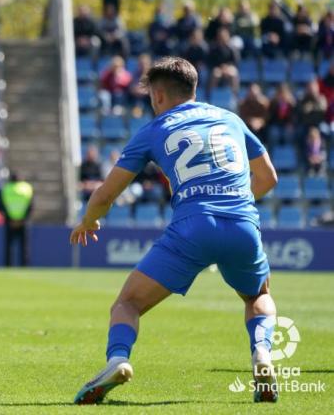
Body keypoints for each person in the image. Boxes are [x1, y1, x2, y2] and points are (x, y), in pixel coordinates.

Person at [70, 57, 280, 405]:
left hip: (192, 226)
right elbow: (269, 177)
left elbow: (106, 193)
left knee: (128, 303)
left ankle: (118, 360)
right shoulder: (230, 118)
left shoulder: (153, 129)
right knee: (257, 296)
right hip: (242, 223)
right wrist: (236, 200)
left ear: (158, 95)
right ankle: (262, 354)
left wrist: (88, 220)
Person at [1, 173, 33, 267]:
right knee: (24, 246)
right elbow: (30, 205)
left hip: (9, 221)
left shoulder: (6, 188)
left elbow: (2, 205)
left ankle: (8, 266)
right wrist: (23, 218)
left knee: (8, 246)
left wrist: (10, 219)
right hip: (23, 221)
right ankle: (25, 266)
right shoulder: (27, 188)